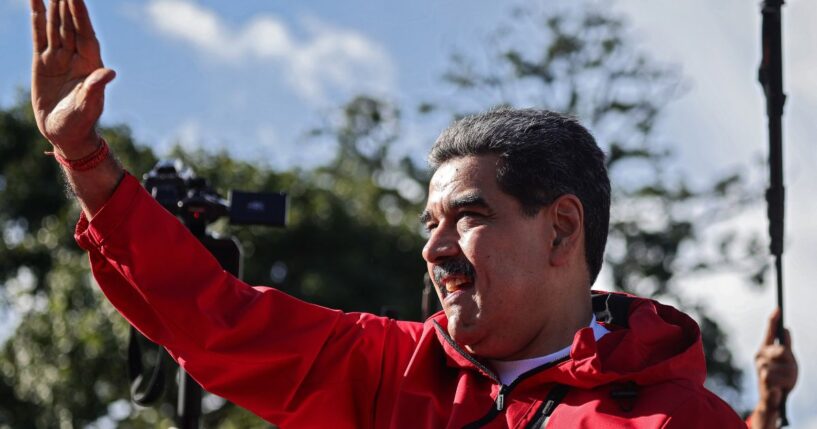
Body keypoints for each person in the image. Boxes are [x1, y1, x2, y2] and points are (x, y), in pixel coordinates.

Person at [27, 1, 796, 427]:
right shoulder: (390, 366)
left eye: (466, 216)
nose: (434, 249)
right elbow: (216, 318)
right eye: (427, 224)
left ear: (561, 227)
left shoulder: (679, 421)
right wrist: (87, 158)